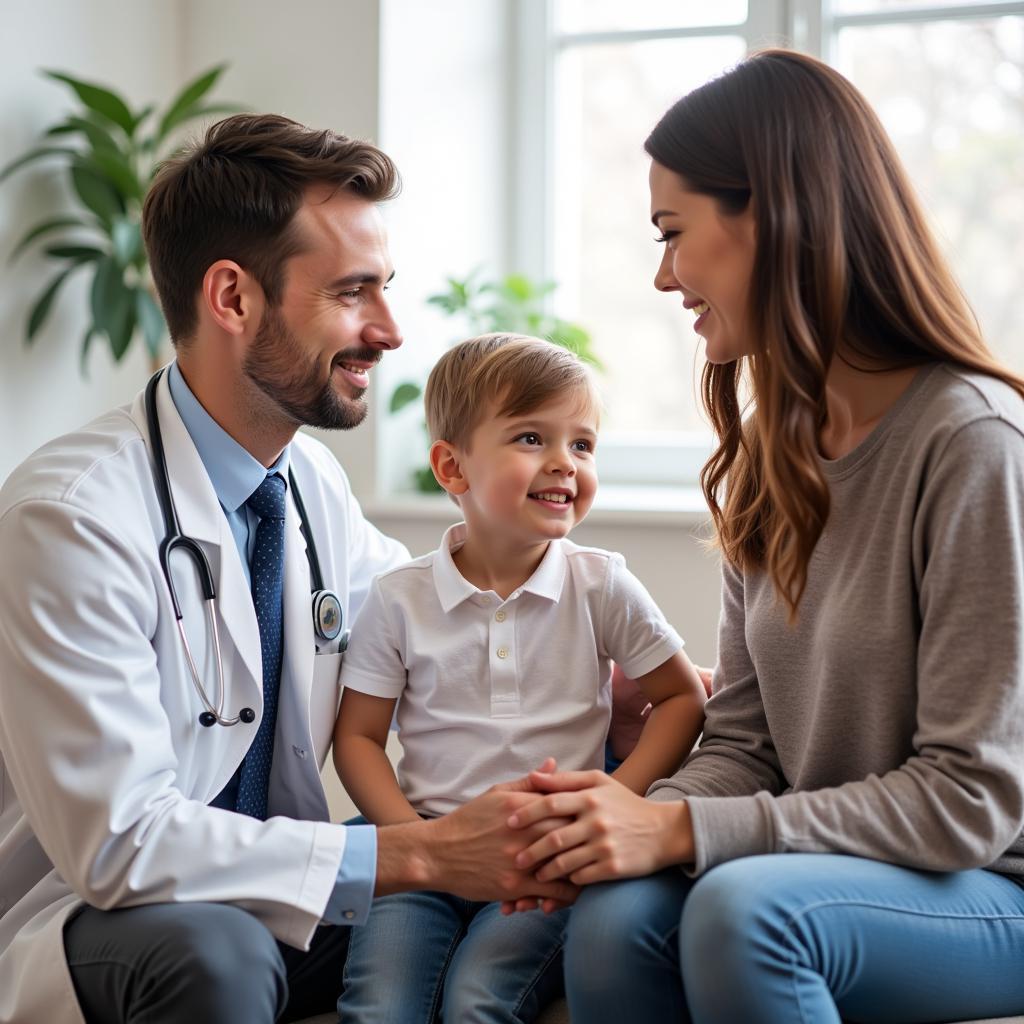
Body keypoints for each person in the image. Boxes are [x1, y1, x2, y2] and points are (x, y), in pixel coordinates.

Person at [0, 114, 575, 1024]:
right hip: (100, 917)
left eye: (384, 290)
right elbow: (119, 846)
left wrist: (605, 670)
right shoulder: (69, 517)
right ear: (232, 298)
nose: (388, 331)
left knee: (534, 872)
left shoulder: (306, 481)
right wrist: (420, 853)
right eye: (353, 294)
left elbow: (431, 617)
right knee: (220, 946)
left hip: (267, 877)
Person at [504, 49, 1024, 1023]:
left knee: (748, 916)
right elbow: (745, 738)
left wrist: (682, 828)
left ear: (774, 218)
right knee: (613, 915)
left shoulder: (973, 441)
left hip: (991, 884)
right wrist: (617, 819)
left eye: (673, 232)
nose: (661, 275)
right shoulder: (768, 453)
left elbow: (969, 798)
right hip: (827, 862)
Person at [332, 333, 707, 1023]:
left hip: (548, 861)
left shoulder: (603, 585)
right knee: (381, 1008)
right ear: (453, 468)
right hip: (424, 858)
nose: (565, 463)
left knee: (479, 1001)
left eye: (584, 445)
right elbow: (356, 737)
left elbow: (683, 698)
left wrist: (613, 803)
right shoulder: (399, 597)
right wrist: (412, 841)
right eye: (533, 437)